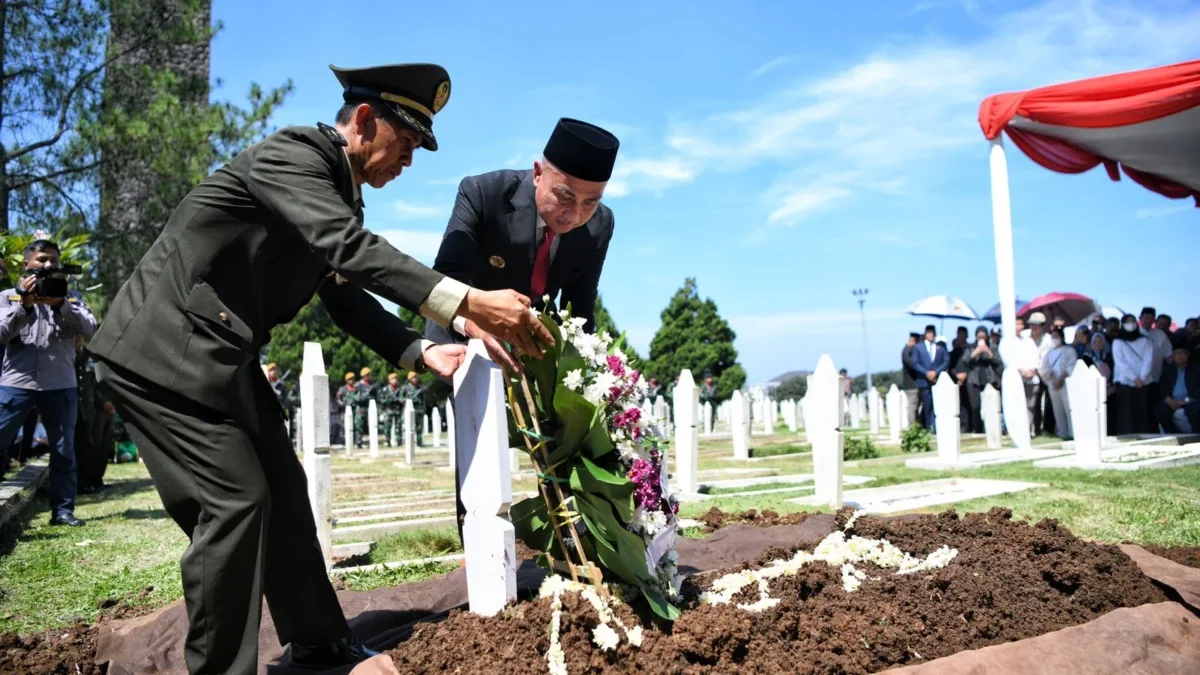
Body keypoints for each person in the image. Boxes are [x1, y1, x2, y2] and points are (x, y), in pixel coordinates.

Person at [88, 62, 554, 675]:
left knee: (284, 491)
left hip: (215, 355)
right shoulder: (295, 158)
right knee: (233, 504)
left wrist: (422, 348)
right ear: (364, 121)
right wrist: (467, 300)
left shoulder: (331, 193)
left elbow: (343, 292)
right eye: (407, 143)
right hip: (161, 353)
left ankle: (320, 645)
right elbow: (349, 252)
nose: (409, 161)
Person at [426, 117, 619, 371]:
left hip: (528, 342)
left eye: (589, 202)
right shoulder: (484, 193)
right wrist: (476, 324)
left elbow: (579, 309)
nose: (574, 215)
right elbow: (445, 279)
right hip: (461, 335)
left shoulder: (600, 224)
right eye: (565, 196)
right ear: (538, 174)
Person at [0, 239, 97, 525]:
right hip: (16, 383)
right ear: (26, 263)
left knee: (64, 450)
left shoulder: (73, 297)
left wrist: (62, 305)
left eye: (53, 260)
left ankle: (63, 511)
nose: (48, 265)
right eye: (42, 259)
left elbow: (90, 328)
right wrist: (24, 306)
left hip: (60, 385)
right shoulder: (8, 296)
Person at [1111, 314, 1154, 434]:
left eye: (1132, 321)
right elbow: (1120, 362)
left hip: (1143, 382)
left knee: (1142, 411)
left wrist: (1142, 378)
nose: (1130, 324)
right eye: (1127, 322)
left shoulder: (1145, 341)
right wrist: (1134, 378)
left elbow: (1148, 360)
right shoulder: (1118, 342)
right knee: (1126, 412)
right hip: (1124, 381)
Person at [959, 326, 1000, 433]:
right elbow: (965, 361)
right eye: (979, 336)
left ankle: (991, 429)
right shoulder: (970, 347)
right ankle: (977, 429)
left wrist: (988, 352)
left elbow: (998, 362)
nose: (981, 337)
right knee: (975, 406)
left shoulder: (993, 347)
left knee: (991, 406)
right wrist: (976, 352)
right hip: (974, 380)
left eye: (983, 335)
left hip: (989, 379)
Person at [1155, 338, 1199, 433]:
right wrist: (1168, 399)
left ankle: (1195, 436)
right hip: (1173, 401)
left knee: (1195, 410)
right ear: (1173, 357)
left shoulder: (1196, 368)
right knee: (1160, 411)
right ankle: (1173, 434)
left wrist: (1185, 401)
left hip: (1190, 400)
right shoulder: (1168, 369)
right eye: (1177, 353)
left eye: (1183, 353)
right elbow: (1162, 388)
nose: (1180, 356)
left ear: (1188, 355)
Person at [1041, 326, 1077, 439]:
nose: (1054, 339)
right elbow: (1045, 368)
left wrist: (1061, 378)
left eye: (1056, 336)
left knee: (1069, 407)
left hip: (1066, 382)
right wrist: (1051, 378)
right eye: (1052, 337)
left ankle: (1073, 431)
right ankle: (1062, 431)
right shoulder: (1048, 353)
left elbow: (1072, 365)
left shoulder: (1069, 350)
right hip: (1053, 383)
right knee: (1058, 409)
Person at [910, 324, 949, 429]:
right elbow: (915, 363)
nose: (931, 335)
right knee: (927, 405)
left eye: (933, 333)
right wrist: (926, 372)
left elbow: (946, 361)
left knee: (938, 404)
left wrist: (936, 372)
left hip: (937, 380)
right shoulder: (918, 347)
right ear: (925, 334)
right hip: (924, 380)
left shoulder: (940, 347)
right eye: (929, 333)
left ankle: (936, 426)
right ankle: (928, 426)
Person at [400, 371, 426, 446]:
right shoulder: (405, 388)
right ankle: (409, 442)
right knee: (409, 426)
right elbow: (401, 399)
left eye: (416, 377)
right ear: (410, 379)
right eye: (413, 377)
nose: (415, 379)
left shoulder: (420, 388)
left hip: (419, 409)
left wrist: (423, 408)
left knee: (419, 427)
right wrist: (409, 400)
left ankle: (419, 442)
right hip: (410, 410)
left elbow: (423, 399)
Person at [901, 332, 921, 426]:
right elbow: (913, 365)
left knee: (916, 405)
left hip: (914, 383)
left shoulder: (908, 350)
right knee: (913, 406)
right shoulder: (907, 351)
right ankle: (912, 426)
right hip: (911, 384)